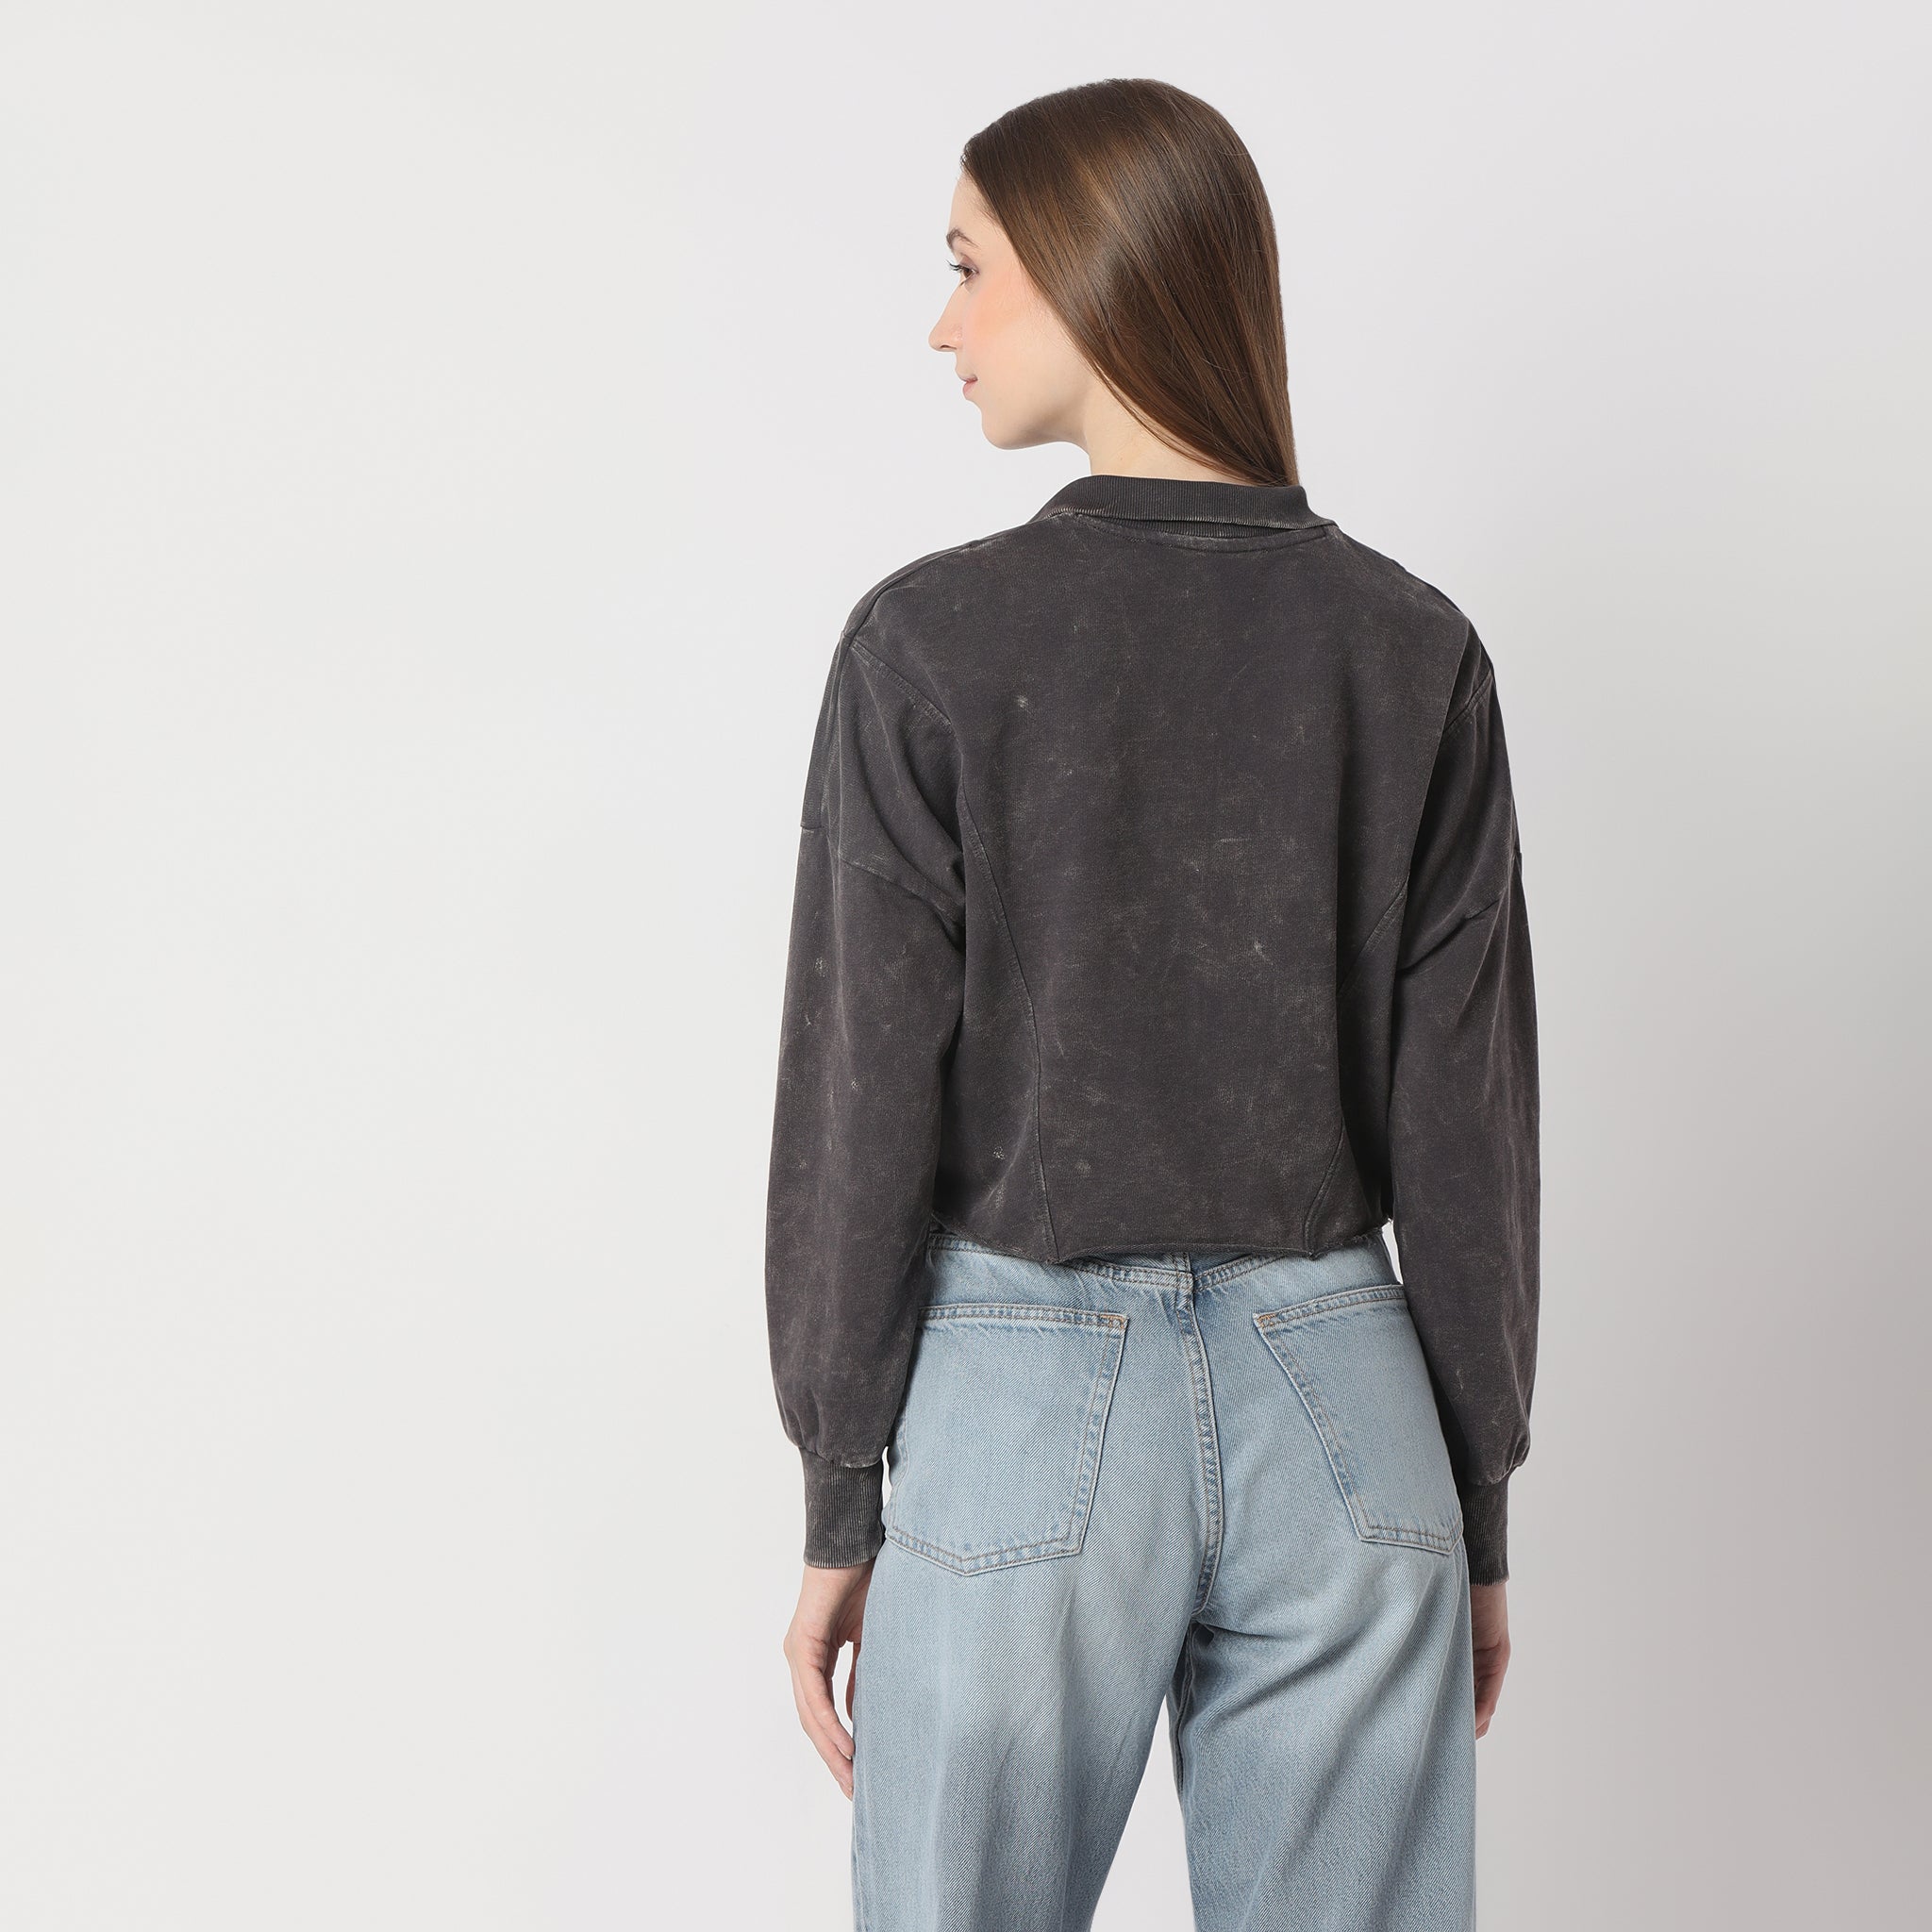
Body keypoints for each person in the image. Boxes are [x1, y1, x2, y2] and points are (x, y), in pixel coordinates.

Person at [764, 76, 1540, 1932]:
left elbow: (861, 1107)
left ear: (1092, 272)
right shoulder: (1413, 648)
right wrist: (1475, 1504)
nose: (941, 323)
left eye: (969, 267)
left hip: (1022, 1407)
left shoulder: (927, 644)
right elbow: (1468, 1133)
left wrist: (840, 1495)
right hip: (1350, 1408)